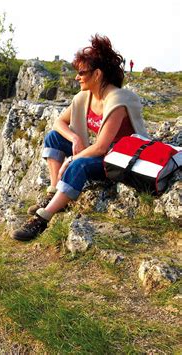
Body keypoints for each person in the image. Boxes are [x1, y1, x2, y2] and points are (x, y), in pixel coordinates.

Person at [12, 34, 148, 241]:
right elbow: (59, 122)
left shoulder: (118, 100)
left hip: (118, 159)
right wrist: (75, 139)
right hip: (102, 152)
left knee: (80, 165)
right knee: (54, 138)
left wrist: (72, 158)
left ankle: (43, 218)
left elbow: (102, 147)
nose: (77, 77)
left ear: (98, 74)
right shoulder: (85, 96)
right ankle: (53, 192)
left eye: (82, 72)